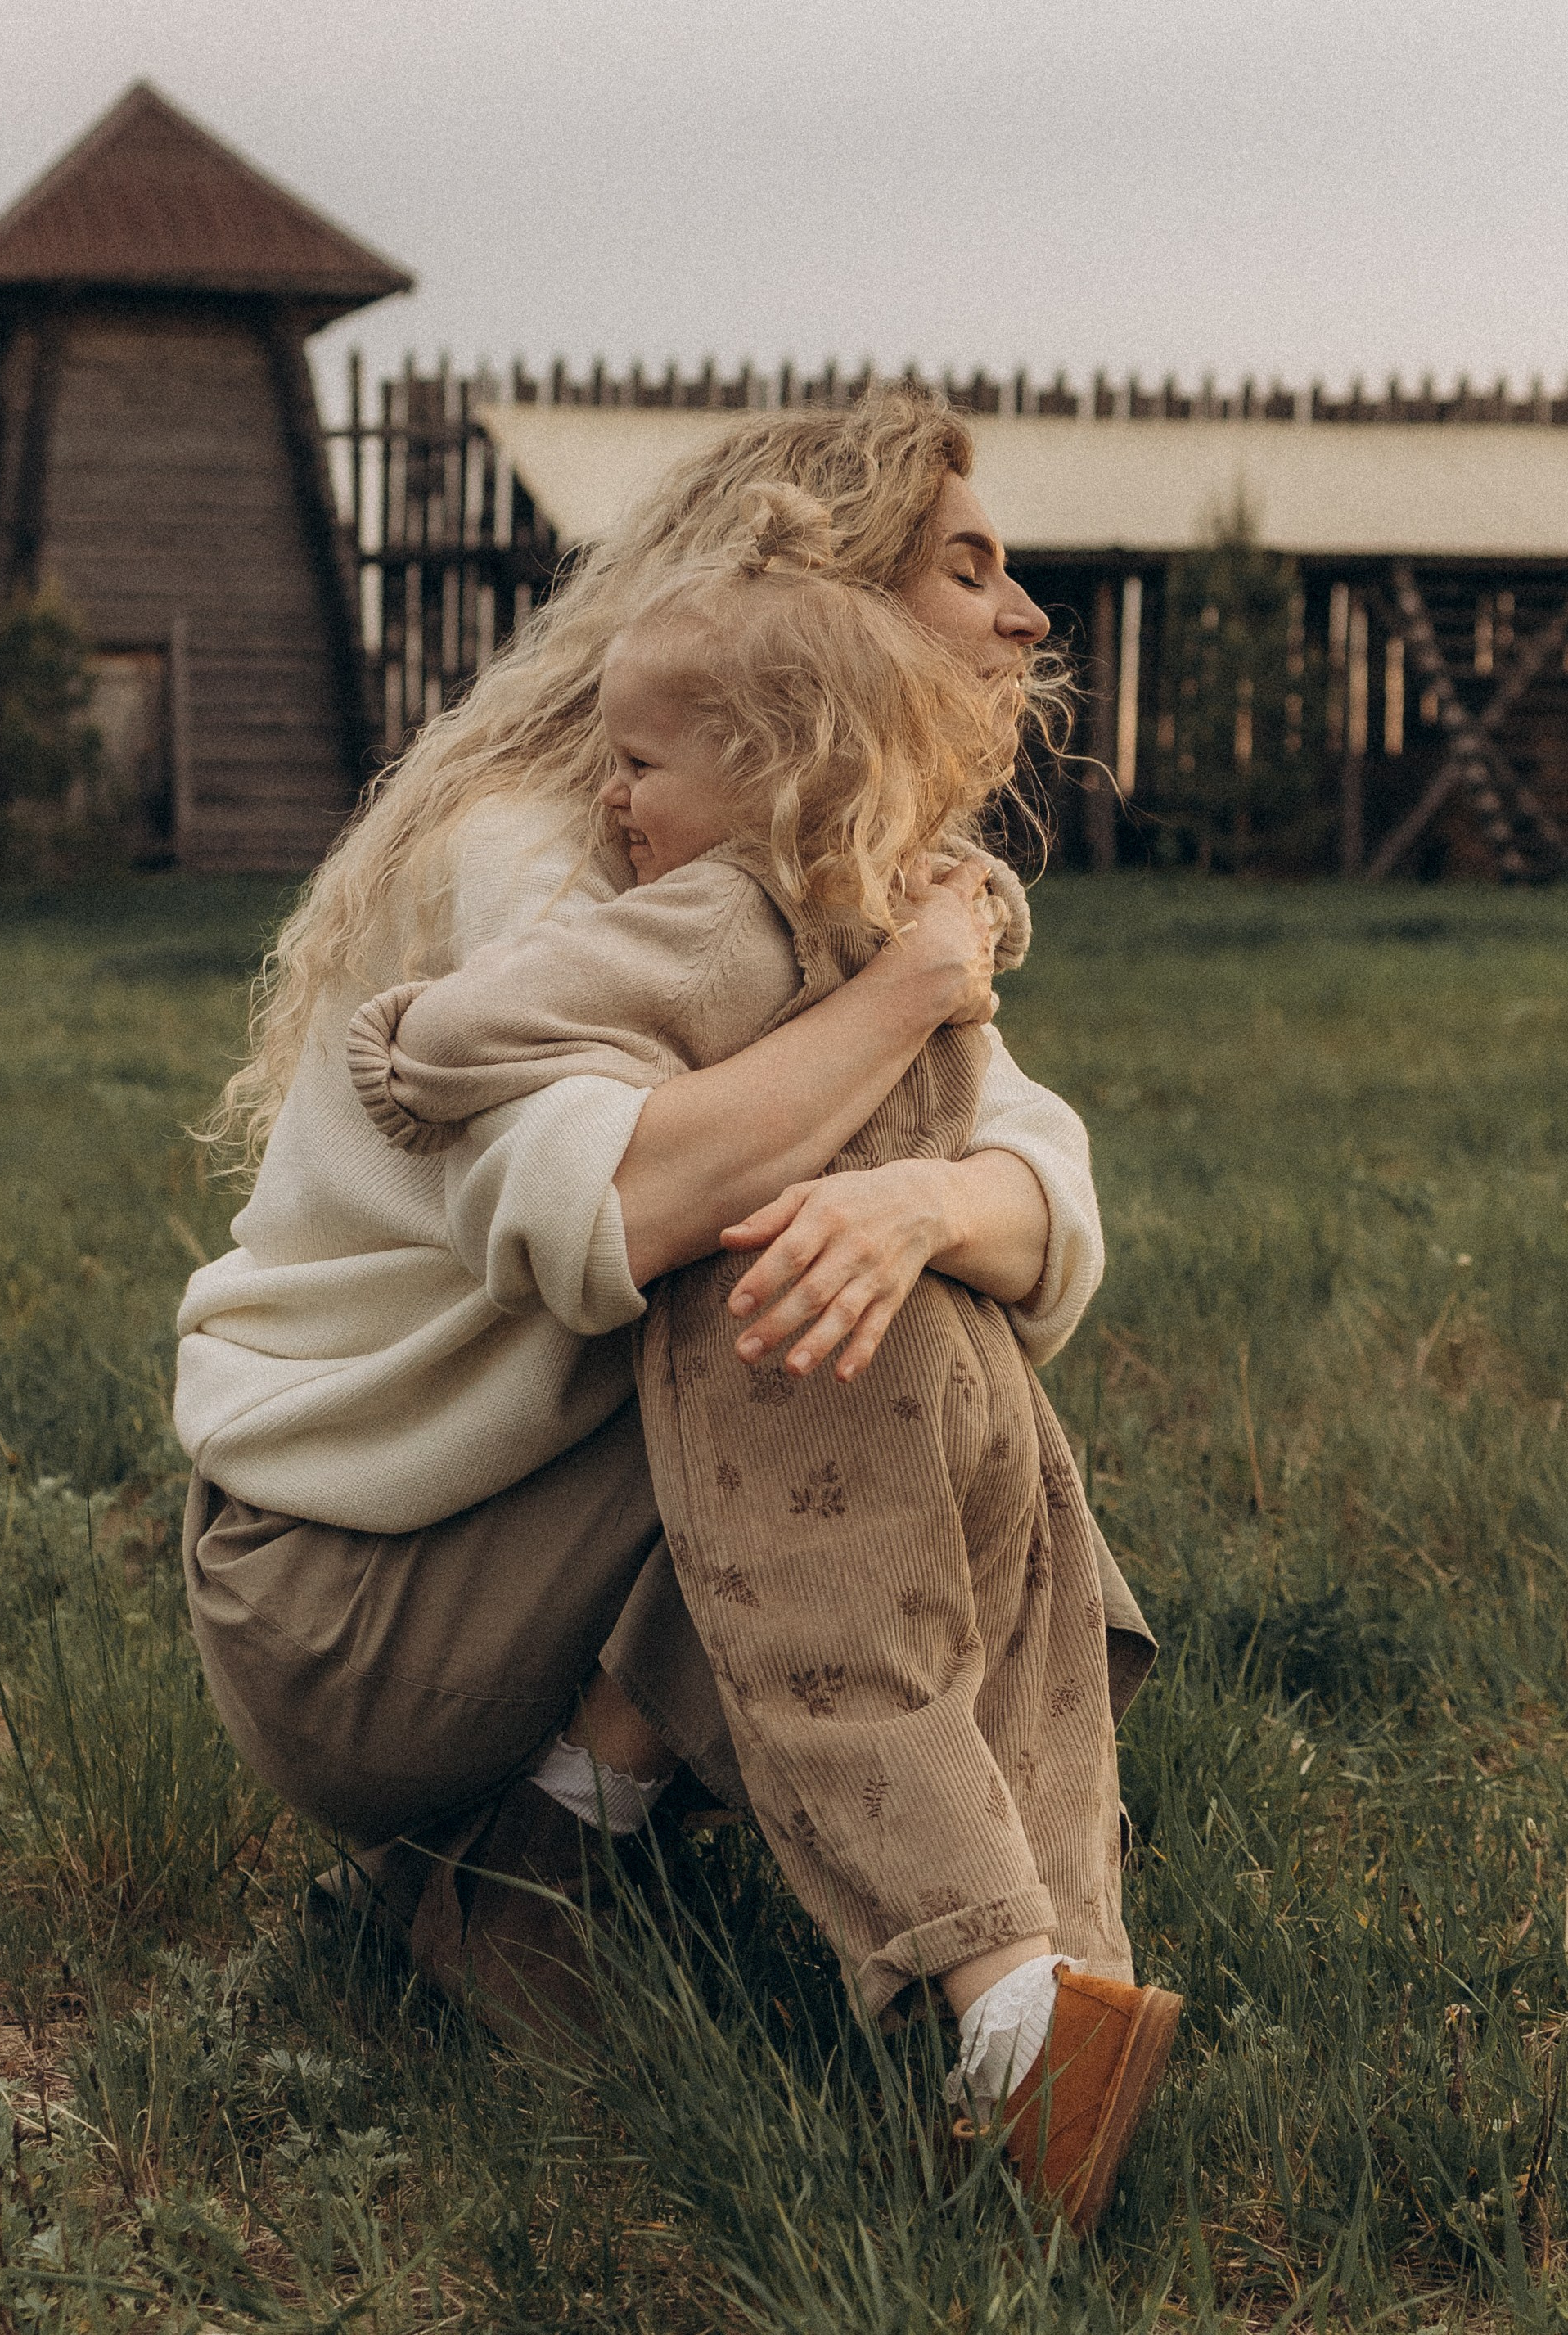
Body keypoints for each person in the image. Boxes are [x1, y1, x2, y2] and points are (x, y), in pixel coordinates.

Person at [174, 390, 1158, 2201]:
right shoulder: (560, 855)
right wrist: (906, 1015)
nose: (1027, 617)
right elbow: (609, 1212)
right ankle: (962, 1970)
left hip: (526, 1517)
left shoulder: (817, 864)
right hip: (355, 1585)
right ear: (822, 612)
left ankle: (1028, 1991)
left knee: (896, 1275)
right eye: (967, 568)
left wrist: (924, 1195)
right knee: (813, 1282)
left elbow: (1046, 1198)